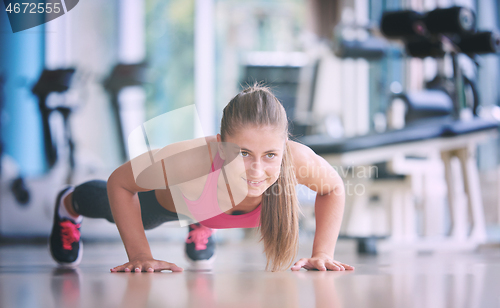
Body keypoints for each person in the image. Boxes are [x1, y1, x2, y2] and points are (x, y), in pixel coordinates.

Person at [49, 83, 354, 272]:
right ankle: (68, 202)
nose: (257, 171)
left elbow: (334, 188)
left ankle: (202, 223)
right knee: (114, 209)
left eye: (270, 155)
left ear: (284, 145)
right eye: (243, 153)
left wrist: (323, 253)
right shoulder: (194, 158)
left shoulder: (297, 159)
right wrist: (141, 255)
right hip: (172, 204)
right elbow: (120, 182)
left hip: (208, 205)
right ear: (221, 144)